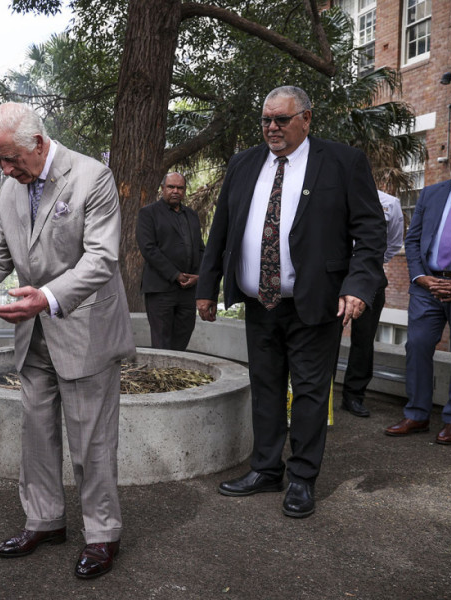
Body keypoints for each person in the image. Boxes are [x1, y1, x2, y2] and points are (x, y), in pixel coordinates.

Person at [0, 102, 135, 579]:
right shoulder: (10, 189)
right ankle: (44, 521)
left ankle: (102, 534)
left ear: (38, 143)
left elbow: (101, 260)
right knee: (36, 436)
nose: (4, 169)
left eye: (10, 158)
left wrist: (47, 297)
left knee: (92, 442)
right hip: (34, 333)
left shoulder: (92, 177)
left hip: (85, 330)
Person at [195, 86, 385, 518]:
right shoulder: (244, 163)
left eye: (281, 119)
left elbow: (371, 231)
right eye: (266, 120)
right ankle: (265, 469)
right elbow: (222, 227)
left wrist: (358, 286)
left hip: (316, 301)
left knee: (310, 392)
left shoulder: (342, 162)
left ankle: (302, 477)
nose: (272, 128)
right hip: (260, 302)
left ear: (306, 118)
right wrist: (207, 287)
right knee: (264, 387)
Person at [385, 137, 451, 445]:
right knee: (416, 346)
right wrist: (420, 277)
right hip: (427, 287)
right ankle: (417, 414)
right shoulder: (431, 193)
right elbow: (413, 240)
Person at [340, 187, 404, 417]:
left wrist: (367, 265)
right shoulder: (333, 194)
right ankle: (319, 397)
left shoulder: (390, 203)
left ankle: (354, 396)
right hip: (332, 276)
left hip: (369, 279)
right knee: (323, 338)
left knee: (363, 340)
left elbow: (394, 243)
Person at [136, 172, 204, 351]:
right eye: (171, 187)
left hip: (188, 291)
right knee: (162, 343)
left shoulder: (192, 215)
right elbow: (149, 249)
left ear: (184, 190)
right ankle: (161, 371)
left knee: (183, 338)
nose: (175, 191)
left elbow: (200, 249)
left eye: (180, 188)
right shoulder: (148, 213)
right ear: (162, 188)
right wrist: (175, 275)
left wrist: (198, 276)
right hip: (160, 289)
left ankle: (177, 369)